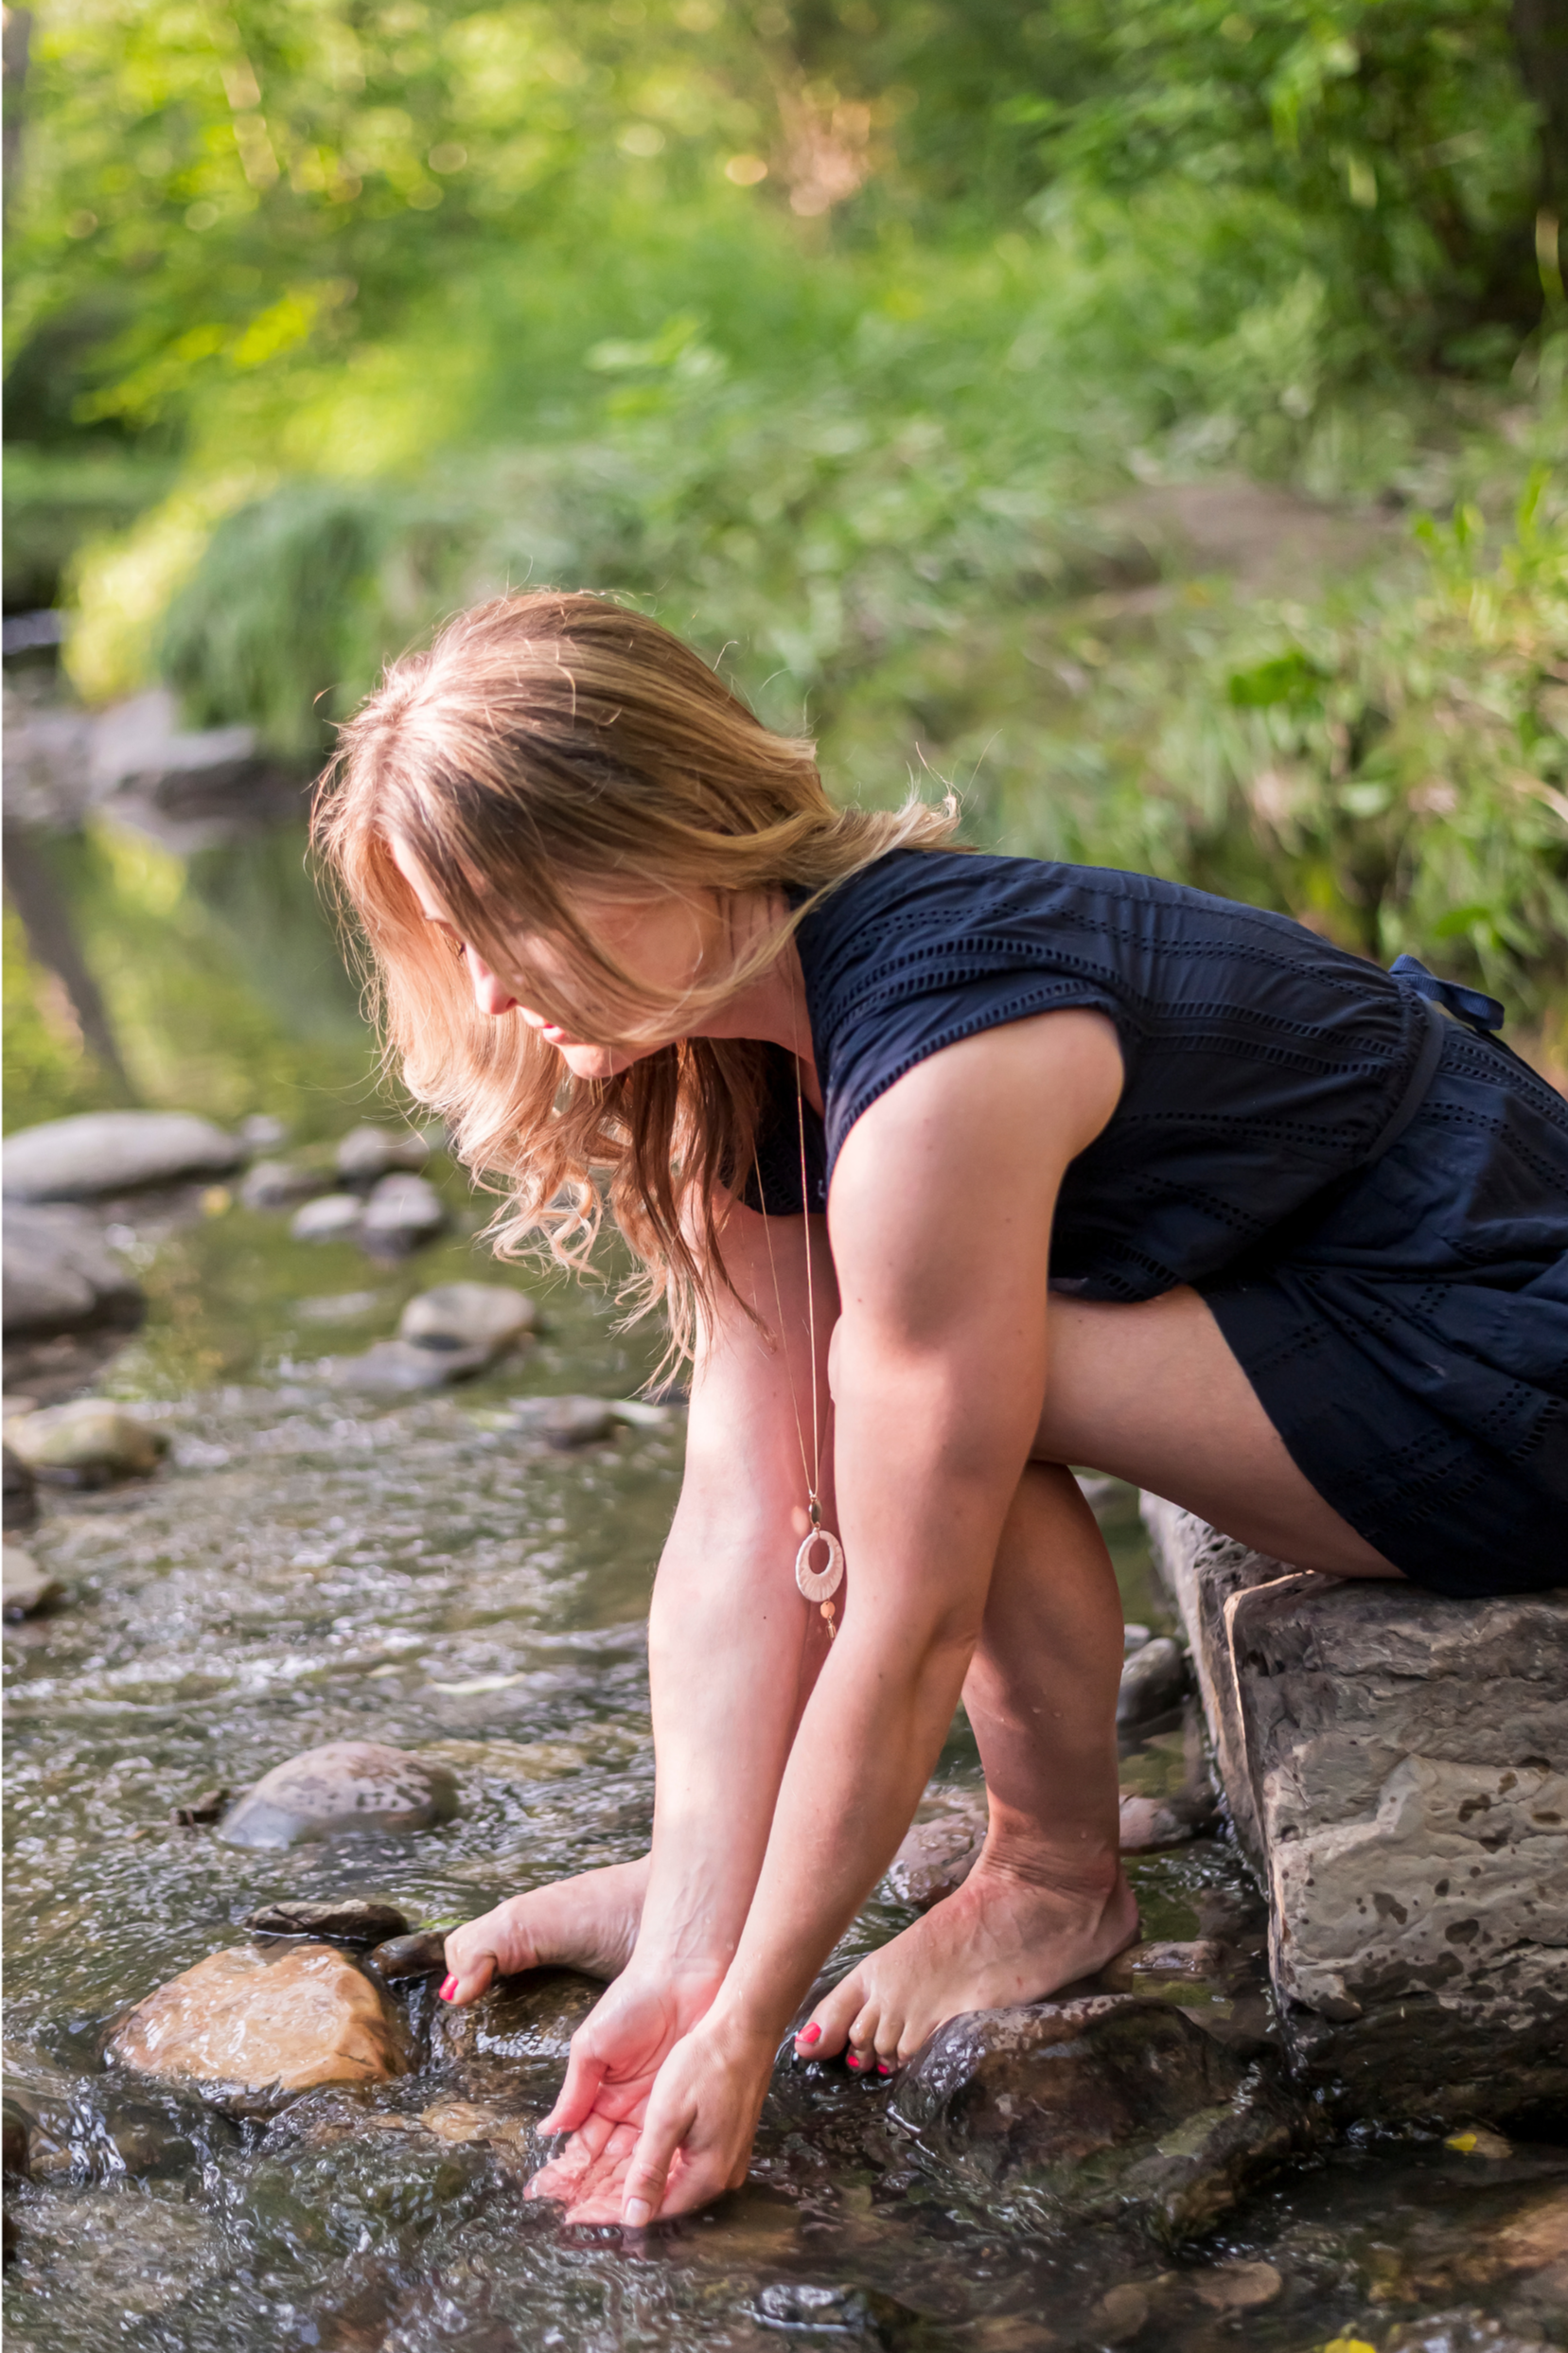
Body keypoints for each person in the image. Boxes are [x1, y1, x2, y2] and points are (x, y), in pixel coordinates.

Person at [314, 589, 1568, 2234]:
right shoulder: (742, 1040)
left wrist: (749, 2020)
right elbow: (743, 1499)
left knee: (929, 1408)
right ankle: (776, 1886)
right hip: (1323, 1318)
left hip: (1495, 1360)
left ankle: (1055, 1880)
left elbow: (907, 1606)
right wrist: (696, 1935)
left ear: (672, 835)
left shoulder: (934, 1057)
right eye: (452, 947)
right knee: (854, 1408)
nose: (484, 997)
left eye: (514, 920)